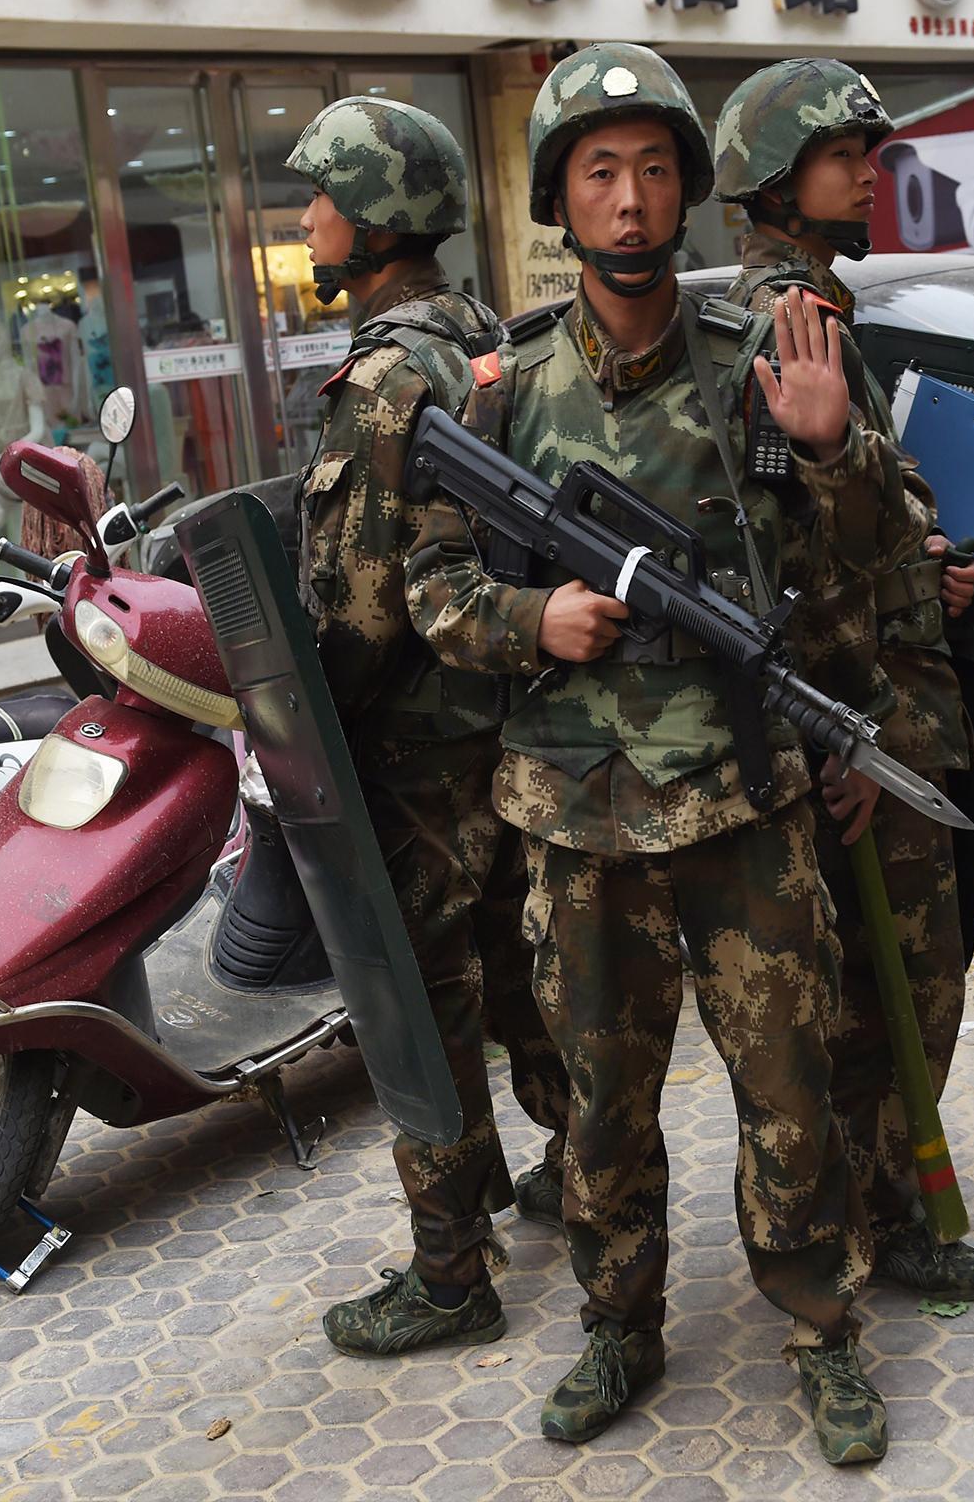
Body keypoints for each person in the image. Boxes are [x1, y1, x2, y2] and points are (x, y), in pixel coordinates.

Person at [407, 43, 924, 1466]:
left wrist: (830, 455)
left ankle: (822, 1332)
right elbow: (432, 592)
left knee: (792, 1089)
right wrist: (536, 616)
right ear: (561, 201)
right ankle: (617, 1327)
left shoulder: (760, 361)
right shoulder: (501, 388)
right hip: (574, 819)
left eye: (651, 173)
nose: (628, 204)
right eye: (599, 174)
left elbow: (854, 572)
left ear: (689, 193)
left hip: (742, 804)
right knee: (597, 1104)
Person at [279, 96, 569, 1360]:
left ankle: (452, 1271)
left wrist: (303, 741)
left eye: (320, 198)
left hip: (417, 755)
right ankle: (576, 1173)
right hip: (518, 730)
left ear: (376, 214)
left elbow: (357, 607)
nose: (304, 220)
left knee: (422, 1004)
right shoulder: (488, 341)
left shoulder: (384, 374)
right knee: (531, 976)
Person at [714, 59, 974, 1304]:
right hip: (858, 716)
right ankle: (881, 1219)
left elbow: (861, 505)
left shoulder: (814, 307)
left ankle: (880, 1205)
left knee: (895, 983)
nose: (868, 175)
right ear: (780, 180)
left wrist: (920, 556)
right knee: (895, 988)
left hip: (880, 700)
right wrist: (857, 733)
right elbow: (790, 560)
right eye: (845, 157)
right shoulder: (787, 325)